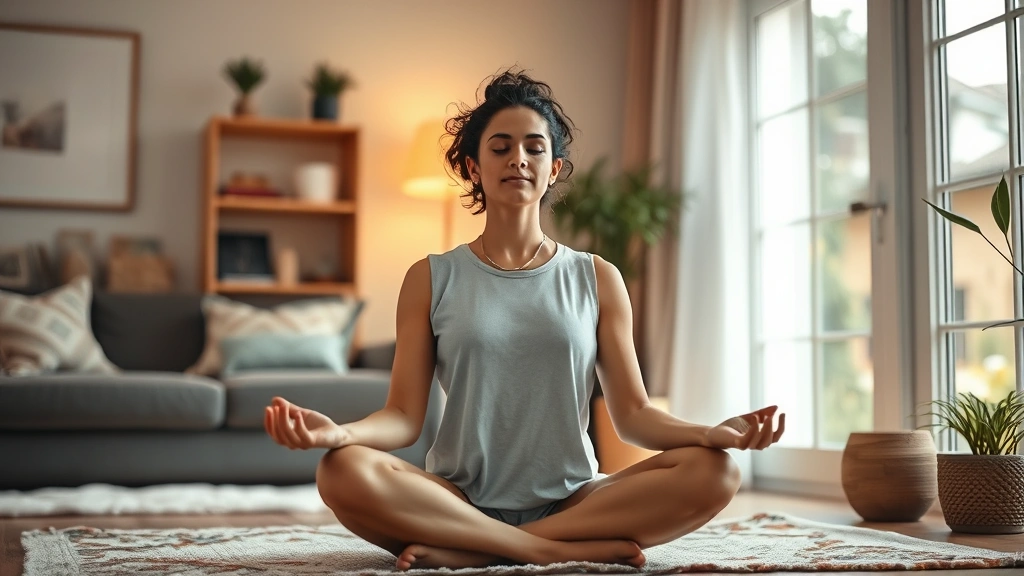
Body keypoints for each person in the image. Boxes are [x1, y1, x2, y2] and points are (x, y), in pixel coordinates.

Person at [263, 68, 785, 571]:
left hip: (576, 502)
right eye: (501, 147)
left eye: (535, 148)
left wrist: (710, 434)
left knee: (716, 472)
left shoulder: (598, 277)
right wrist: (338, 434)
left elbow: (634, 414)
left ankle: (484, 549)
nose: (519, 159)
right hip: (456, 498)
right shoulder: (430, 277)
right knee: (342, 470)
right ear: (473, 167)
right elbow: (402, 415)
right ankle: (548, 552)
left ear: (553, 168)